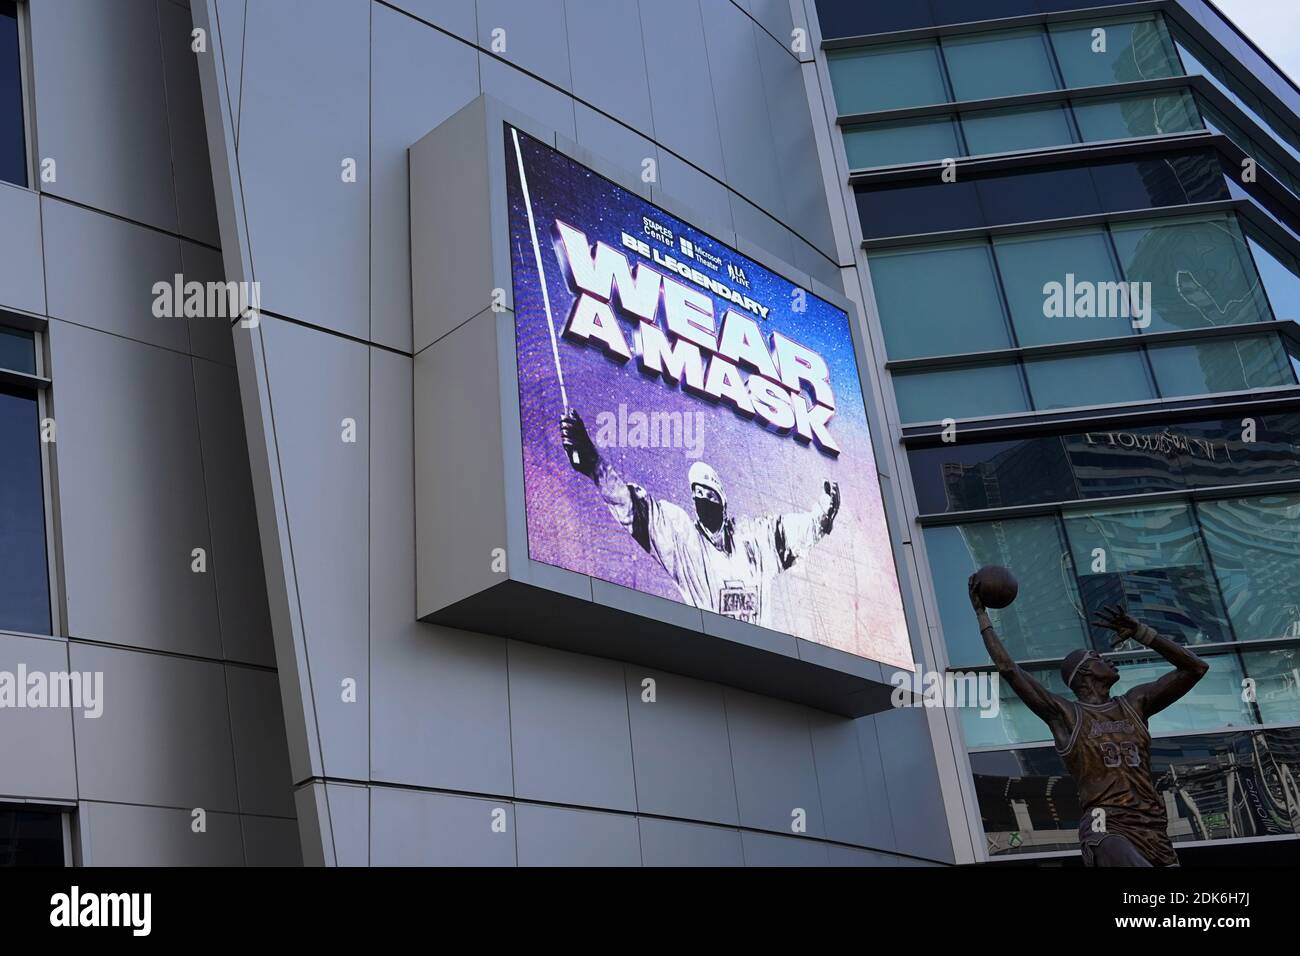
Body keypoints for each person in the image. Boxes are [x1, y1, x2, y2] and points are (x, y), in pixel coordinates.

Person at [969, 577, 1209, 866]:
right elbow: (1009, 669)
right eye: (1097, 657)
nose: (1108, 660)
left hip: (1152, 826)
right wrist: (983, 617)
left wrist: (1143, 633)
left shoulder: (1134, 703)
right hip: (1104, 823)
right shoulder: (1066, 715)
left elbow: (1195, 668)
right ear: (1084, 673)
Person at [560, 409, 839, 626]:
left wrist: (823, 515)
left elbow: (793, 532)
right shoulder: (684, 541)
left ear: (723, 501)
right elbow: (634, 509)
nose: (705, 502)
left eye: (710, 496)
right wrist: (594, 464)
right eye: (699, 496)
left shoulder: (752, 537)